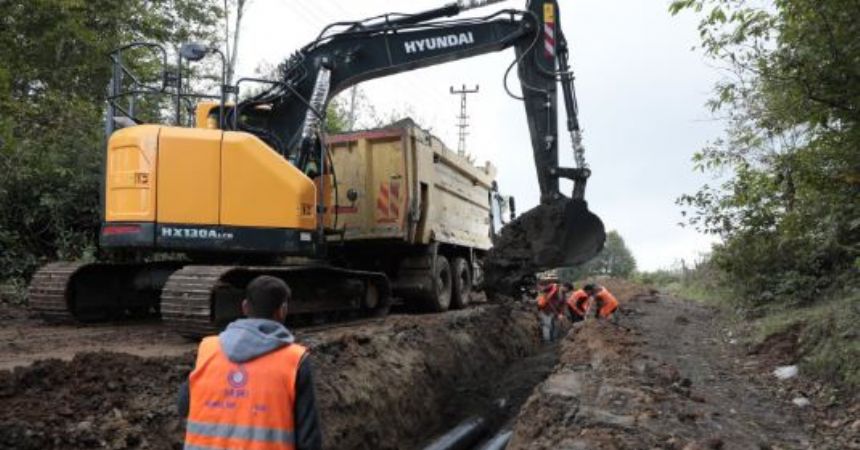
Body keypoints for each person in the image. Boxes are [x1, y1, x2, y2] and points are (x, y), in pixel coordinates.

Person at [177, 275, 322, 450]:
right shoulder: (294, 360)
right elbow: (309, 439)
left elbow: (184, 406)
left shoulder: (208, 349)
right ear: (282, 310)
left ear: (245, 307)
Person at [536, 274, 565, 342]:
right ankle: (547, 342)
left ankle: (551, 340)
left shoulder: (562, 294)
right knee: (547, 325)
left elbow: (562, 305)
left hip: (551, 310)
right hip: (545, 309)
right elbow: (544, 293)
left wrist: (560, 313)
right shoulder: (553, 287)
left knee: (552, 325)